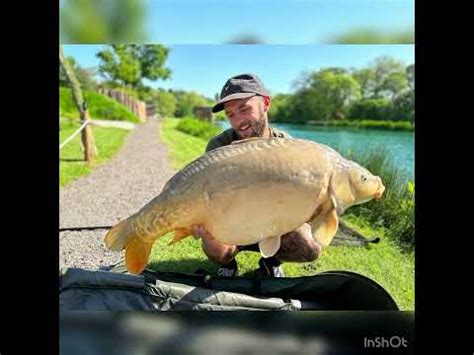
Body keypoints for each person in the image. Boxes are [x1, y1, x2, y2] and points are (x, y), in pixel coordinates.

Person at [192, 73, 321, 277]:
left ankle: (271, 261)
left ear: (266, 103)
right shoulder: (218, 147)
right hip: (234, 223)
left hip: (273, 225)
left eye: (244, 109)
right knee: (216, 247)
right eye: (231, 115)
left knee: (309, 247)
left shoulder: (287, 146)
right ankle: (228, 264)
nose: (238, 121)